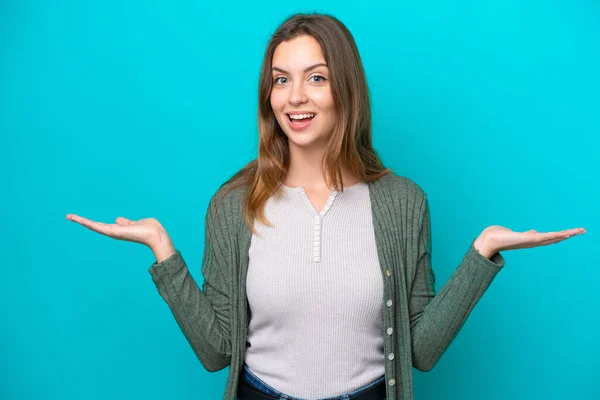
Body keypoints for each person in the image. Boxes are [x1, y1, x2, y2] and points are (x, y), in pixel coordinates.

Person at [65, 12, 586, 400]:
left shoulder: (403, 203)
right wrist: (163, 252)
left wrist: (483, 253)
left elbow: (420, 352)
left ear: (345, 88)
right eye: (281, 79)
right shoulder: (232, 205)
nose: (296, 96)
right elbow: (216, 352)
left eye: (316, 77)